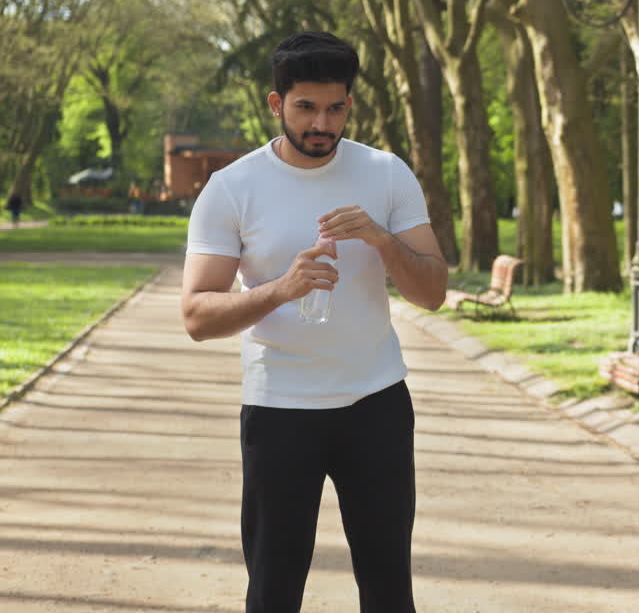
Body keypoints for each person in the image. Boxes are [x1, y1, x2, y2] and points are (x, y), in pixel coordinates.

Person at [180, 31, 448, 613]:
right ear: (276, 104)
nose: (322, 123)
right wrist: (282, 288)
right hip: (279, 409)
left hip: (376, 404)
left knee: (389, 590)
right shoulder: (232, 188)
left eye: (335, 108)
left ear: (350, 103)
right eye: (306, 107)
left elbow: (432, 293)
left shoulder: (386, 173)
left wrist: (382, 241)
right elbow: (197, 315)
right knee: (273, 592)